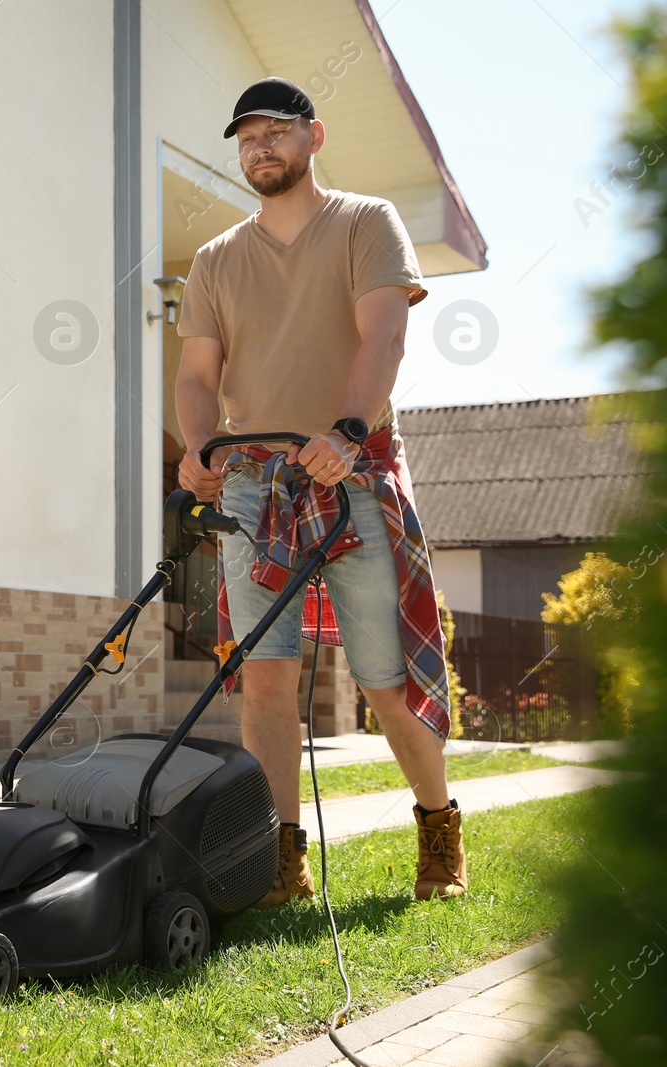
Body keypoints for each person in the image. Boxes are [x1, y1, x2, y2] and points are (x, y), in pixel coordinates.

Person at [173, 76, 467, 906]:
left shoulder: (365, 223)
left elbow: (386, 333)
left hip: (351, 472)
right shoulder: (215, 260)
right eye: (247, 136)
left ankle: (438, 825)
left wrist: (346, 430)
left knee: (381, 675)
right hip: (251, 490)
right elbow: (197, 376)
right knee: (263, 678)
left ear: (314, 136)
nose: (261, 145)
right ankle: (280, 862)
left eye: (277, 130)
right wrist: (197, 447)